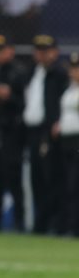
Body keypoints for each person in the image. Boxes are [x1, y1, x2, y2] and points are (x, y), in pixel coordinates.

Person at [22, 34, 68, 234]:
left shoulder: (59, 74)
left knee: (52, 177)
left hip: (49, 132)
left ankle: (53, 223)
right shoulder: (31, 73)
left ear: (55, 52)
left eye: (46, 50)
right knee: (36, 179)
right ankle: (40, 223)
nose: (42, 54)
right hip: (31, 131)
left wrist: (57, 121)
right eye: (39, 50)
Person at [0, 35, 27, 231]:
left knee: (14, 178)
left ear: (11, 50)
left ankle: (20, 222)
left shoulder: (20, 74)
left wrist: (9, 97)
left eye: (1, 49)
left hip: (14, 134)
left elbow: (26, 105)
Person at [58, 53, 79, 236]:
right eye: (72, 68)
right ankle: (69, 225)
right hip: (66, 142)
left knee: (75, 184)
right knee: (68, 184)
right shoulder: (69, 89)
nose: (73, 72)